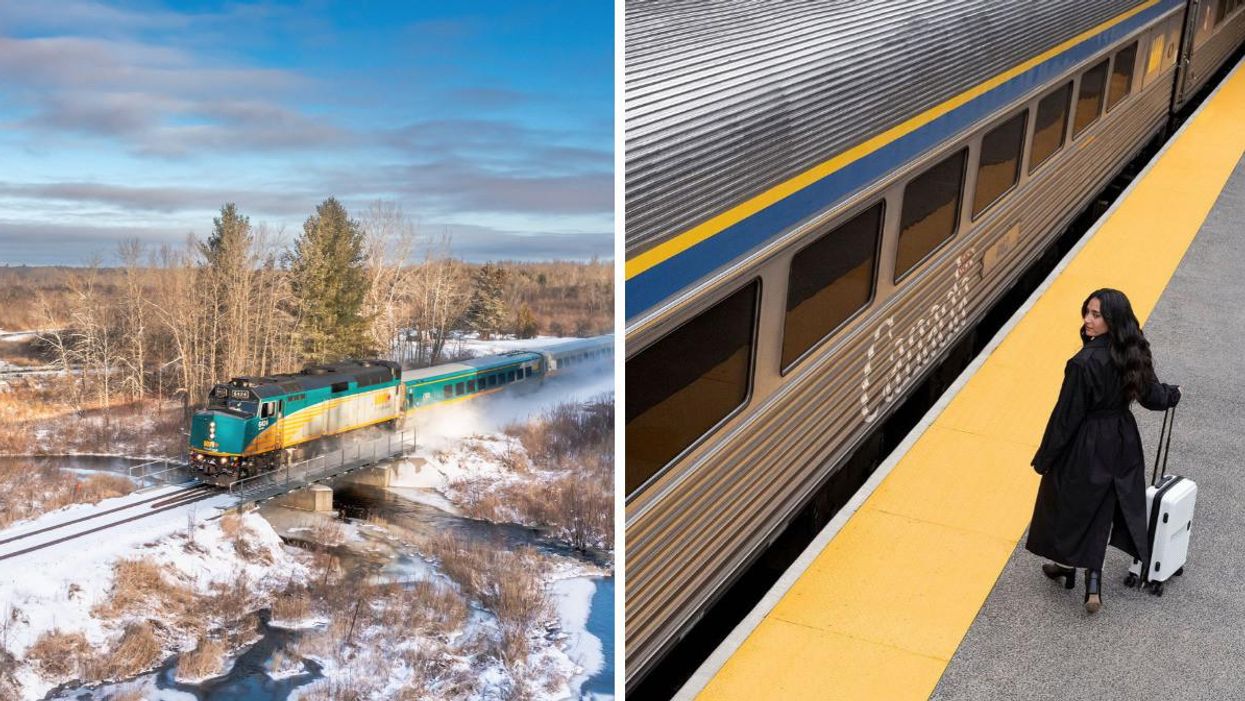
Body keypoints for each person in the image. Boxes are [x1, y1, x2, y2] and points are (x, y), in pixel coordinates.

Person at [1025, 288, 1180, 614]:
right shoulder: (1133, 352)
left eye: (1096, 315)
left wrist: (1045, 458)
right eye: (1087, 312)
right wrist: (1173, 394)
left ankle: (1072, 569)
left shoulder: (1082, 363)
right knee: (1103, 505)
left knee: (1069, 502)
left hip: (1087, 442)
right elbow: (1152, 397)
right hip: (1122, 439)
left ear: (1112, 319)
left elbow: (1066, 417)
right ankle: (1086, 579)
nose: (1088, 320)